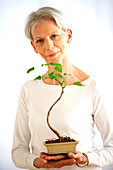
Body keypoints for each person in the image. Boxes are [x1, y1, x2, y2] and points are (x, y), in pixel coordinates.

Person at [11, 7, 113, 170]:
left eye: (54, 36)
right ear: (34, 46)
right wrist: (37, 162)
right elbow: (18, 151)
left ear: (69, 36)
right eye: (40, 40)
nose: (49, 46)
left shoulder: (92, 87)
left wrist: (85, 158)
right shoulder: (29, 89)